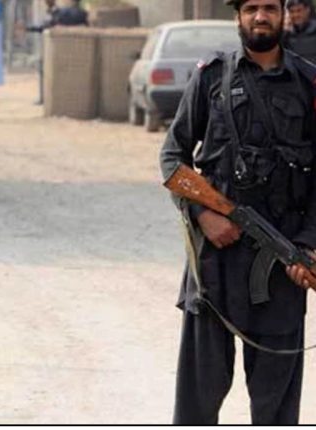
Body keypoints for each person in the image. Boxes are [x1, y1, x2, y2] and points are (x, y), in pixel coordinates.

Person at [159, 0, 316, 424]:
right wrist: (203, 215)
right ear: (239, 17)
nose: (260, 17)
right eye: (251, 8)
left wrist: (307, 245)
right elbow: (173, 158)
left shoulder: (308, 84)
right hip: (215, 265)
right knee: (198, 402)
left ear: (283, 15)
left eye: (269, 8)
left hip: (281, 270)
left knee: (276, 408)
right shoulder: (211, 77)